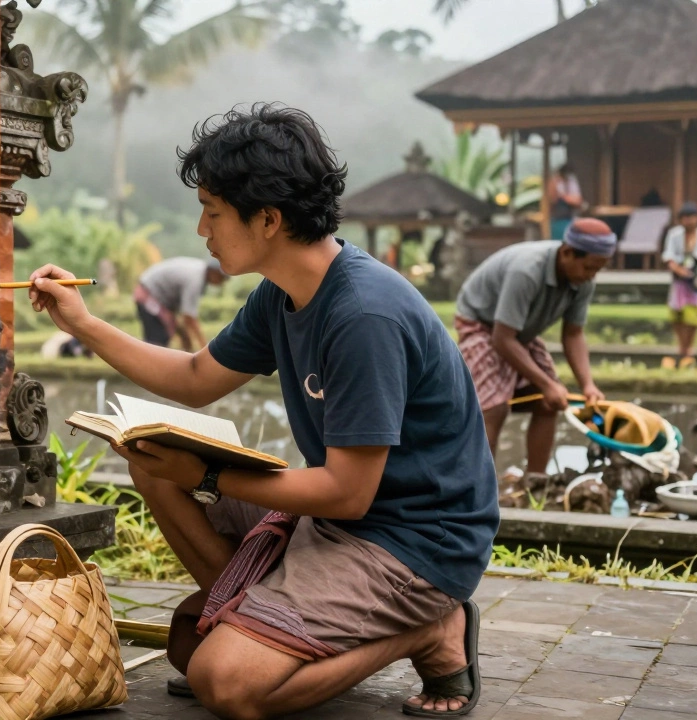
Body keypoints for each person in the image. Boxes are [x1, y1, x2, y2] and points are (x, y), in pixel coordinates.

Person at [28, 104, 497, 718]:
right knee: (151, 479)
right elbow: (196, 379)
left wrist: (207, 476)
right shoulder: (281, 295)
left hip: (413, 542)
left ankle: (430, 630)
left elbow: (349, 493)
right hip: (348, 522)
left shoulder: (363, 316)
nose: (202, 230)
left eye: (213, 212)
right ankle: (263, 618)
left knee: (225, 683)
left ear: (268, 219)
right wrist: (83, 324)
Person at [454, 219, 612, 474]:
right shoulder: (527, 270)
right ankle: (480, 492)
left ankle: (536, 483)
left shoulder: (583, 281)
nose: (591, 276)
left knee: (549, 402)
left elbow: (573, 334)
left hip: (519, 332)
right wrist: (547, 384)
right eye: (588, 267)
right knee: (493, 406)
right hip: (482, 324)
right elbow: (501, 339)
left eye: (598, 270)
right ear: (567, 252)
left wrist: (587, 385)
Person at [134, 256, 228, 350]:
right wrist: (206, 347)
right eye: (222, 278)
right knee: (158, 339)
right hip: (148, 295)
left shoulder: (199, 273)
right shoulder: (196, 280)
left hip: (159, 301)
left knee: (168, 334)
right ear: (214, 272)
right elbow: (189, 317)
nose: (222, 282)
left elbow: (182, 316)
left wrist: (185, 337)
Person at [662, 201, 697, 369]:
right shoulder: (674, 235)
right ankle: (682, 349)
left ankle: (689, 351)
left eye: (691, 217)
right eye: (685, 218)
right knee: (678, 315)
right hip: (679, 282)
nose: (689, 221)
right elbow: (668, 256)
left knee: (692, 317)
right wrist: (679, 270)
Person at [546, 162, 584, 239]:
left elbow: (577, 201)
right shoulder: (555, 182)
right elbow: (552, 199)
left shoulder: (572, 182)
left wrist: (565, 197)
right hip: (558, 218)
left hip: (570, 217)